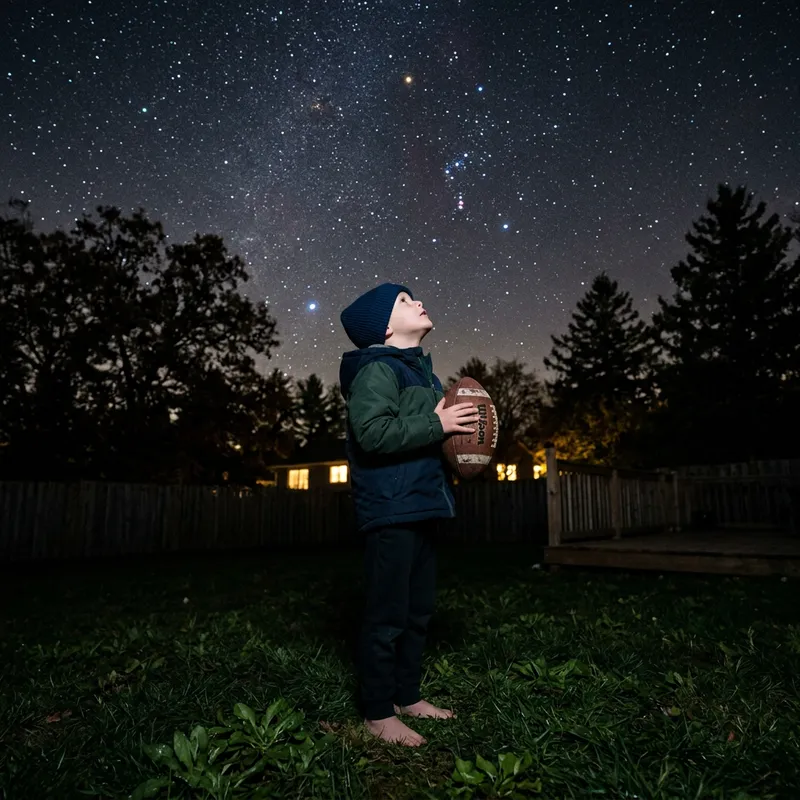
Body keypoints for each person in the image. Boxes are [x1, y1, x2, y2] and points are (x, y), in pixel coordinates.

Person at [339, 282, 479, 746]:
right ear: (384, 326)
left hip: (422, 505)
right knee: (387, 613)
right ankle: (378, 712)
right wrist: (437, 423)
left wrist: (461, 446)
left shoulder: (427, 378)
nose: (417, 301)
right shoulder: (377, 370)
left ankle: (407, 696)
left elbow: (425, 438)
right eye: (403, 301)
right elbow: (373, 434)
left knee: (418, 611)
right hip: (391, 510)